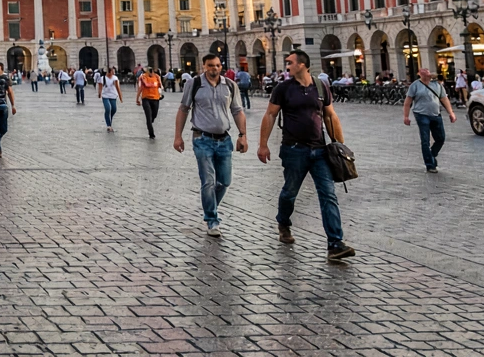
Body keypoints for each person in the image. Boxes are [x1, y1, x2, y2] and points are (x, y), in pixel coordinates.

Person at [257, 49, 356, 261]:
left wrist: (339, 143)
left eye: (290, 62)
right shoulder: (283, 88)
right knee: (290, 192)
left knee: (328, 194)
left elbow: (330, 114)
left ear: (302, 64)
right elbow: (270, 114)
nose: (287, 66)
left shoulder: (321, 87)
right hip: (294, 149)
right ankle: (283, 222)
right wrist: (263, 144)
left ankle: (335, 244)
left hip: (320, 150)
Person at [173, 54, 247, 236]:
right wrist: (178, 136)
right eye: (210, 65)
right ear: (204, 66)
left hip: (224, 139)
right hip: (202, 138)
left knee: (224, 181)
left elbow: (237, 111)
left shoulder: (230, 85)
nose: (214, 68)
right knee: (208, 181)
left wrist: (242, 135)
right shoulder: (195, 84)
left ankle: (210, 206)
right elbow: (183, 109)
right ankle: (212, 220)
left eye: (217, 65)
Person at [403, 68, 456, 173]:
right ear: (420, 74)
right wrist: (406, 116)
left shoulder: (437, 85)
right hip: (421, 114)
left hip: (436, 114)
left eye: (427, 72)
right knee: (425, 140)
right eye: (423, 73)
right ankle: (430, 164)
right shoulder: (415, 85)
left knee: (441, 138)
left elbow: (444, 99)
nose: (426, 74)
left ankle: (432, 154)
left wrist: (451, 112)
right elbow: (408, 101)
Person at [135, 67, 163, 139]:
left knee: (154, 115)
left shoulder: (157, 77)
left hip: (156, 98)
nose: (151, 73)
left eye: (152, 71)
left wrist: (160, 94)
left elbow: (160, 86)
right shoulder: (143, 77)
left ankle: (151, 121)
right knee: (148, 117)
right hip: (146, 98)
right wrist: (137, 98)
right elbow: (140, 88)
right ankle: (151, 134)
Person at [98, 67, 122, 131]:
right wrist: (99, 93)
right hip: (105, 95)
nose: (113, 72)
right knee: (108, 108)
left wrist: (120, 96)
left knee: (114, 109)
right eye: (112, 71)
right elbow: (100, 87)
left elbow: (117, 87)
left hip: (113, 95)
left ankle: (110, 119)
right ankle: (108, 125)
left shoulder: (115, 78)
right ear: (108, 72)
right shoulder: (102, 78)